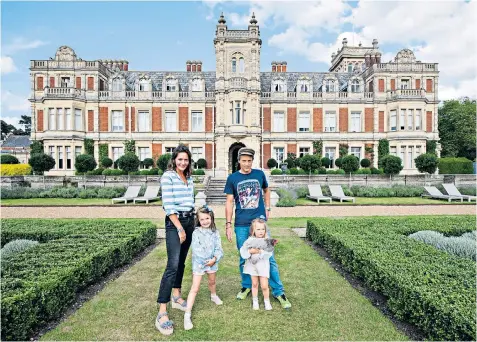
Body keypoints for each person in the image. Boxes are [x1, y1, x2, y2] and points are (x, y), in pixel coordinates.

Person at [224, 147, 292, 309]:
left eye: (249, 161)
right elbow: (229, 202)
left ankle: (278, 291)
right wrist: (228, 224)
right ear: (238, 161)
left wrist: (267, 208)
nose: (247, 164)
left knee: (269, 257)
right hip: (241, 223)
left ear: (252, 161)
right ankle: (247, 285)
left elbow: (266, 190)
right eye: (244, 161)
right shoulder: (232, 178)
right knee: (244, 256)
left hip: (259, 222)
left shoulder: (259, 174)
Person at [155, 145, 195, 336]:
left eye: (186, 160)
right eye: (180, 159)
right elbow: (168, 204)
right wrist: (179, 227)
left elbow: (190, 201)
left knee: (181, 262)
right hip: (175, 222)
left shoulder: (189, 178)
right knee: (172, 265)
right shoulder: (168, 176)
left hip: (189, 220)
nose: (183, 162)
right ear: (174, 159)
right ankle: (162, 311)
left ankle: (176, 296)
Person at [183, 205, 224, 330]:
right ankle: (187, 314)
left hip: (212, 262)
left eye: (207, 218)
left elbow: (219, 248)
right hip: (200, 264)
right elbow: (196, 249)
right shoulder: (196, 233)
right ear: (198, 221)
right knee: (194, 288)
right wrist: (206, 261)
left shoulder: (215, 232)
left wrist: (214, 259)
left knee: (212, 282)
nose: (205, 221)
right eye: (202, 219)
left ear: (211, 218)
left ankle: (213, 295)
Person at [240, 218, 274, 310]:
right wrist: (250, 251)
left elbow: (269, 253)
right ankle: (255, 301)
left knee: (264, 285)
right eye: (258, 229)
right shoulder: (250, 240)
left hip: (263, 265)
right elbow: (243, 250)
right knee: (254, 284)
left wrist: (259, 251)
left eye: (263, 229)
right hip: (252, 266)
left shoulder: (267, 241)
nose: (261, 231)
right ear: (253, 230)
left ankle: (267, 301)